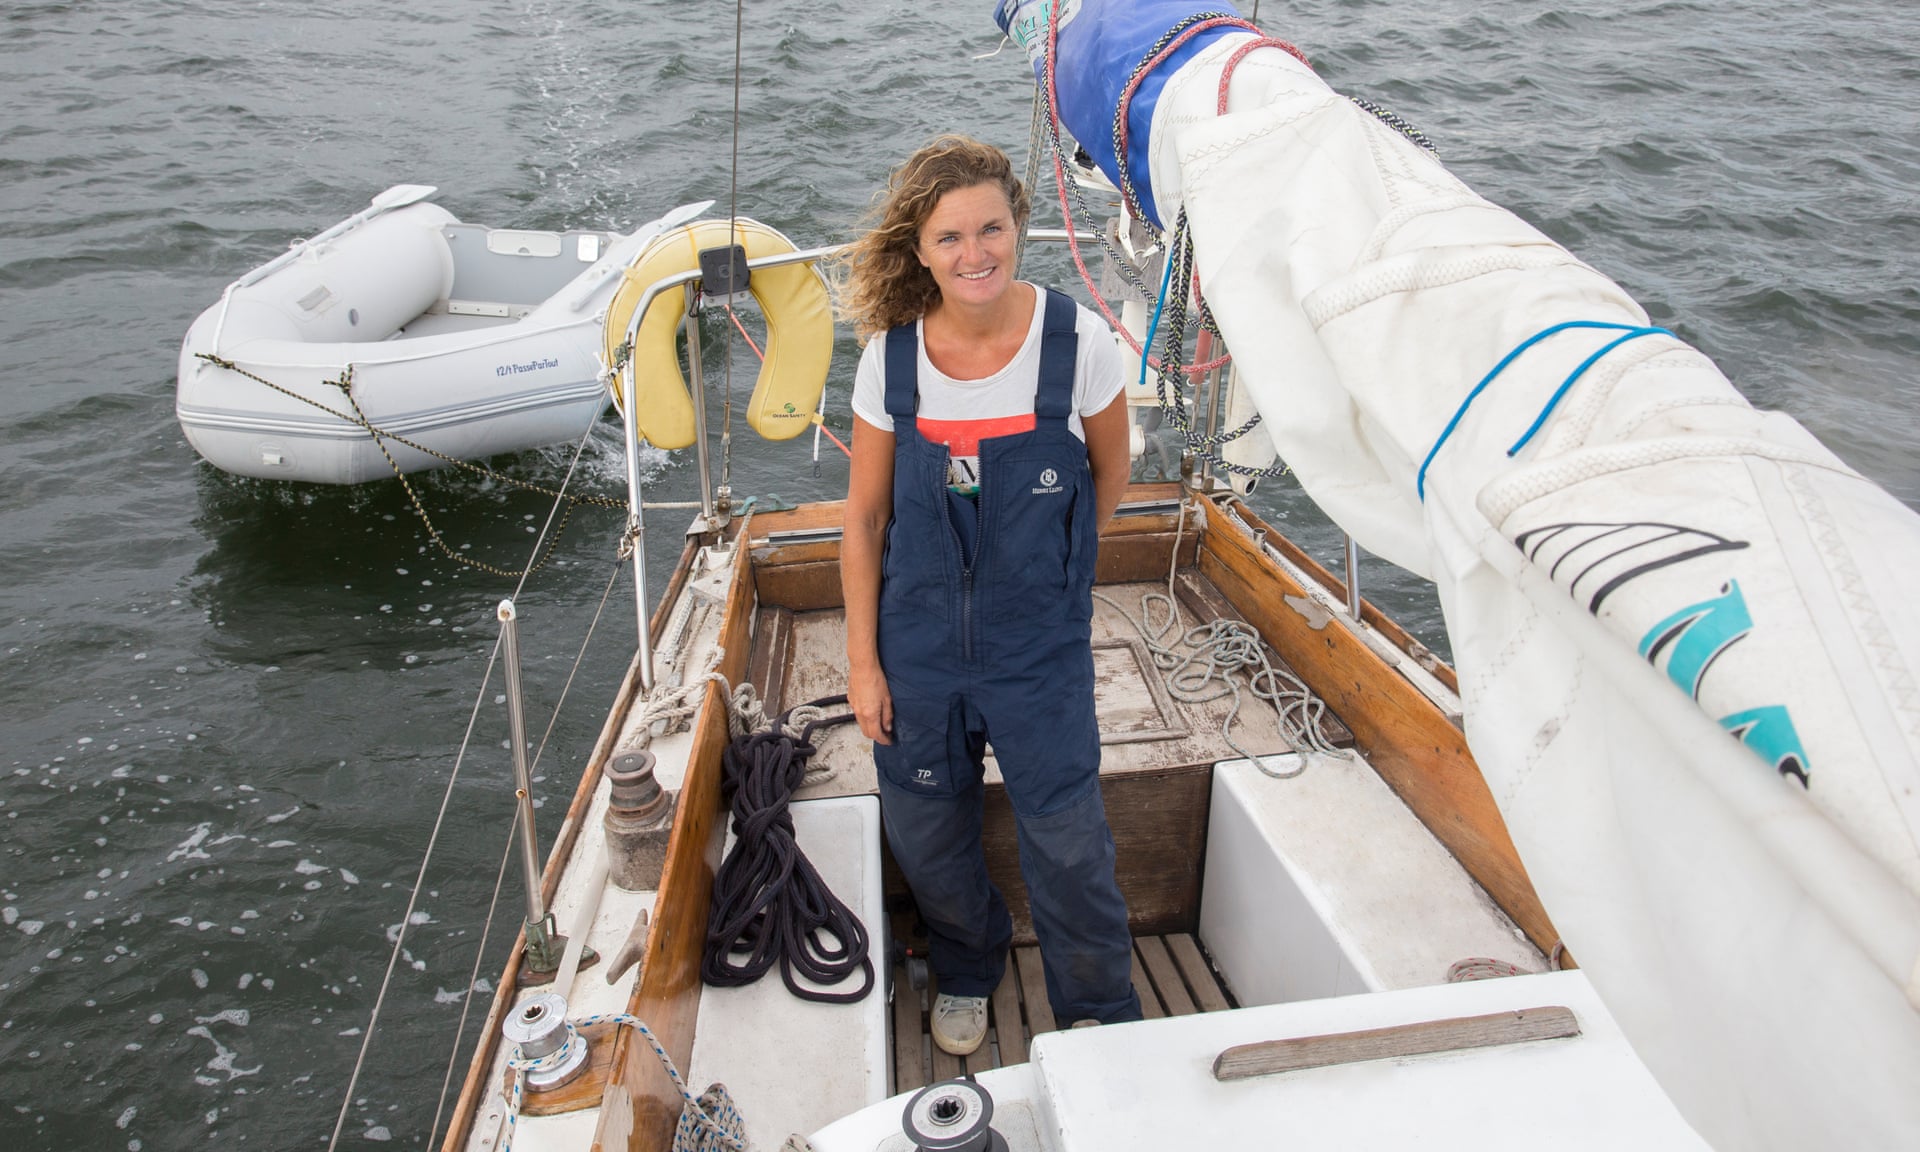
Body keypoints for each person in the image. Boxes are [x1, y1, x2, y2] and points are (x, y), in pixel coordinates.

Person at [838, 135, 1143, 1056]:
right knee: (926, 835)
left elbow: (1109, 479)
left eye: (992, 229)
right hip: (919, 651)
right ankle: (969, 964)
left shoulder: (1078, 345)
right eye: (950, 237)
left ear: (1017, 226)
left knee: (1069, 840)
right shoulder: (890, 362)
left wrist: (1046, 576)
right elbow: (865, 520)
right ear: (920, 250)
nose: (975, 254)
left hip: (1036, 649)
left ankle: (1098, 1009)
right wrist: (864, 665)